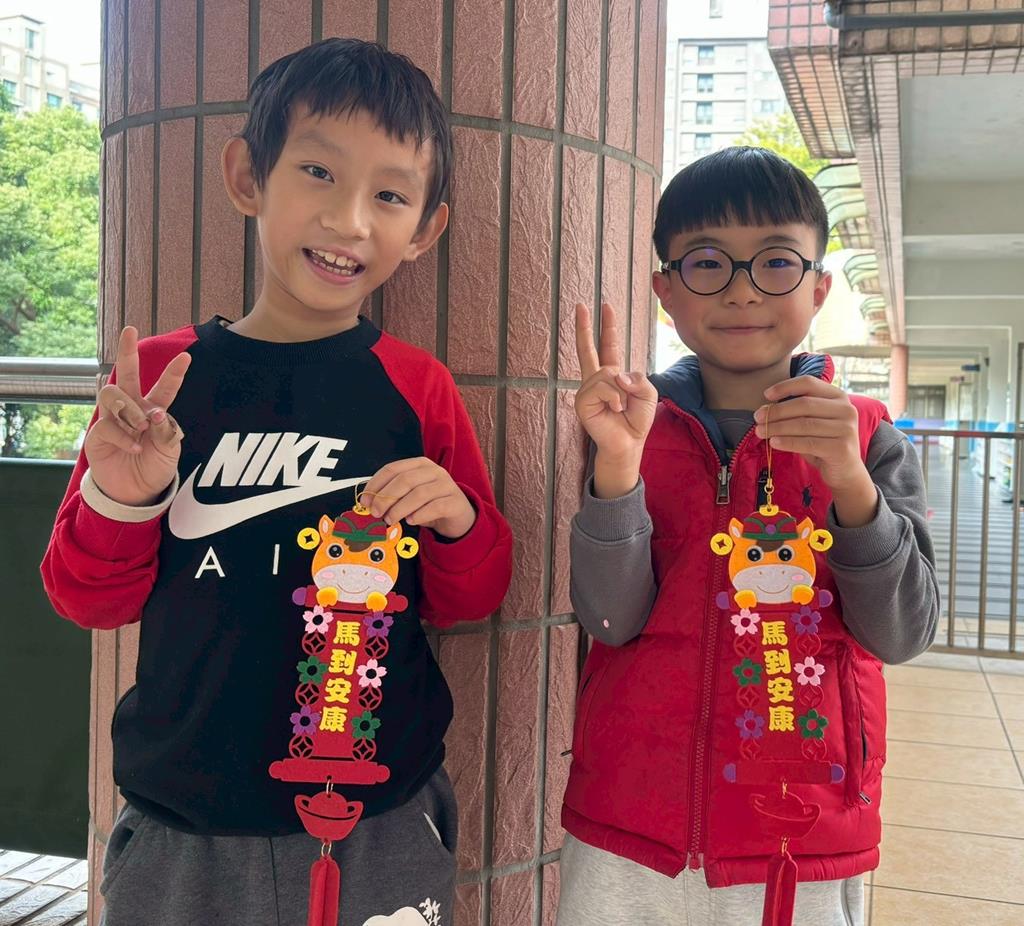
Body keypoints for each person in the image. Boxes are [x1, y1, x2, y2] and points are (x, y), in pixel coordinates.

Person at [41, 38, 512, 926]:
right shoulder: (161, 377)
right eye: (318, 172)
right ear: (247, 177)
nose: (349, 220)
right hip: (181, 820)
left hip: (379, 817)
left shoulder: (419, 387)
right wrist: (121, 496)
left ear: (424, 230)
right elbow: (86, 599)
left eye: (389, 195)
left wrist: (457, 522)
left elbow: (472, 597)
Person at [557, 147, 938, 926]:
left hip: (801, 828)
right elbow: (609, 620)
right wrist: (619, 468)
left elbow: (901, 633)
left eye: (775, 262)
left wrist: (850, 485)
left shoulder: (867, 436)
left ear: (819, 287)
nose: (741, 290)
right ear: (666, 289)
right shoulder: (630, 427)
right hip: (630, 822)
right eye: (707, 262)